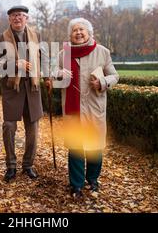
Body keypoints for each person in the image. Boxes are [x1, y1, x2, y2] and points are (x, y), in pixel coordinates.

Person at [49, 17, 119, 197]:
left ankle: (93, 179)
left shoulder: (102, 52)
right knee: (76, 146)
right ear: (70, 35)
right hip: (73, 110)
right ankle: (76, 185)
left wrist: (103, 82)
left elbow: (115, 76)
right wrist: (58, 73)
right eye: (75, 30)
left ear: (89, 33)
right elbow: (51, 72)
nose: (78, 33)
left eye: (82, 30)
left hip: (94, 108)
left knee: (95, 146)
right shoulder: (62, 54)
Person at [0, 5, 50, 182]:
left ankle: (28, 165)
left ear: (27, 18)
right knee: (9, 127)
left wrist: (47, 77)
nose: (17, 18)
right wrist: (14, 65)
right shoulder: (0, 38)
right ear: (9, 19)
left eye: (21, 15)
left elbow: (43, 59)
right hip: (12, 90)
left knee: (33, 129)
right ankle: (11, 166)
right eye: (14, 16)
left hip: (32, 89)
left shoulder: (36, 36)